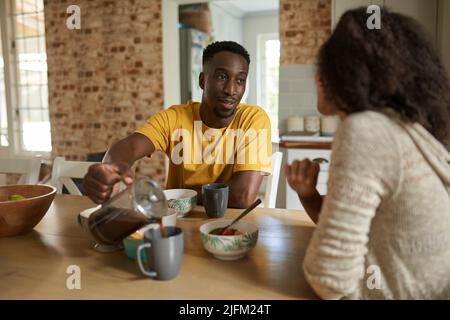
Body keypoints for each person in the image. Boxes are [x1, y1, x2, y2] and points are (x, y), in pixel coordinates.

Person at [286, 8, 450, 299]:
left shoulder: (366, 130)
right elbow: (367, 234)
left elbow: (329, 277)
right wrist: (310, 197)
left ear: (342, 73)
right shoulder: (403, 128)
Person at [83, 41, 271, 208]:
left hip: (230, 225)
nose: (231, 90)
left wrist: (179, 194)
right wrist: (111, 167)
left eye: (240, 80)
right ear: (203, 80)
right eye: (222, 77)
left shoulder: (253, 119)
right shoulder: (175, 118)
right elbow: (129, 146)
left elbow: (242, 197)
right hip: (179, 221)